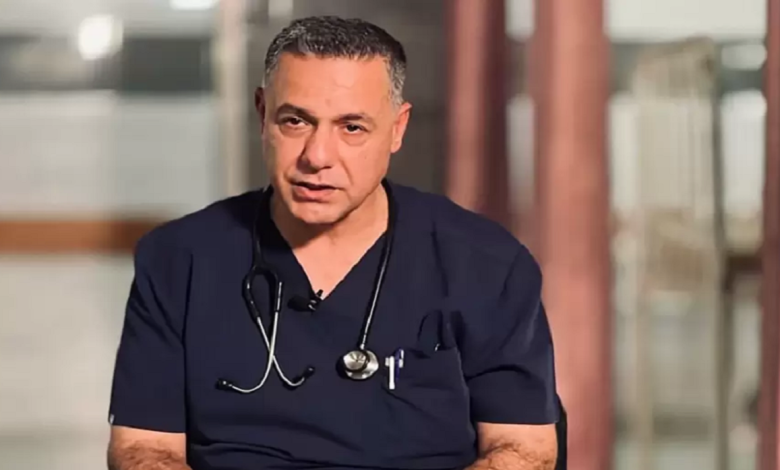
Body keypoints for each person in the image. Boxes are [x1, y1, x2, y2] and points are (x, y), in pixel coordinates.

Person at [107, 15, 560, 470]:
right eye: (296, 121)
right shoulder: (179, 260)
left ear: (397, 128)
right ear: (263, 115)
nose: (317, 157)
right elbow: (144, 449)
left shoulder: (487, 264)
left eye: (352, 128)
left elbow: (525, 450)